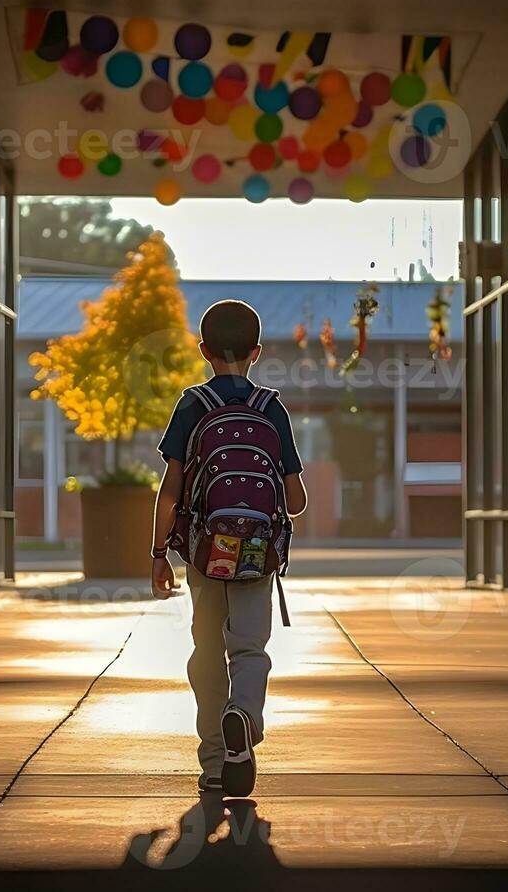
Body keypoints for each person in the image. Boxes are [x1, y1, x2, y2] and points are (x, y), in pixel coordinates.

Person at [150, 300, 308, 796]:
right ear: (257, 353)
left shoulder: (193, 404)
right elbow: (297, 500)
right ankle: (244, 714)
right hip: (257, 555)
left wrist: (158, 555)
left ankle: (215, 761)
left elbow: (170, 491)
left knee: (206, 649)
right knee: (249, 647)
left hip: (203, 553)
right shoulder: (271, 408)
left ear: (204, 351)